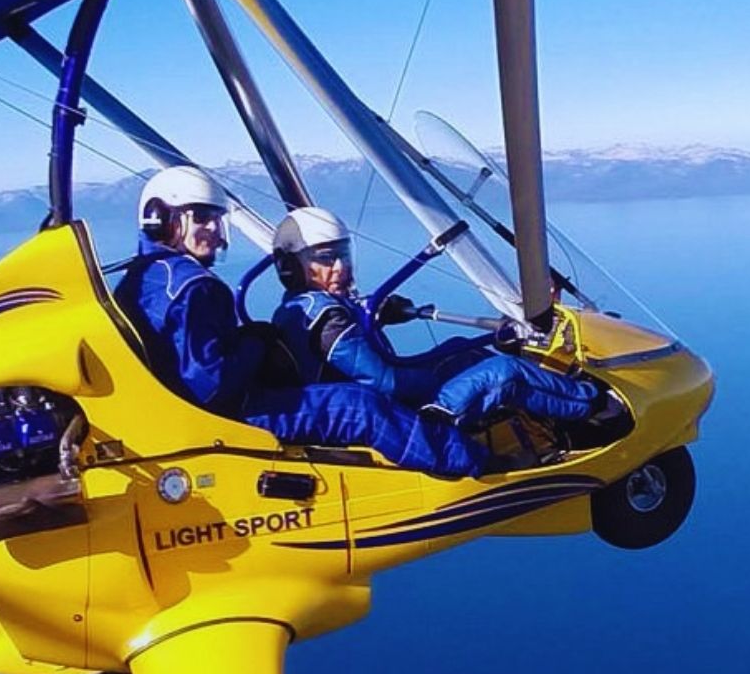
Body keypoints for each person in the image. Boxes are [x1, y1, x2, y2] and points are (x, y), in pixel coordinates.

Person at [114, 167, 486, 476]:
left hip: (175, 413)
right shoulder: (194, 287)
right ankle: (476, 466)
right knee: (359, 406)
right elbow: (210, 385)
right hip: (224, 413)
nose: (213, 229)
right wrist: (255, 344)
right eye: (201, 217)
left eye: (216, 218)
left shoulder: (141, 277)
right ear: (161, 217)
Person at [270, 206, 613, 431]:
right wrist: (435, 376)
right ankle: (596, 405)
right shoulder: (327, 318)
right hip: (390, 413)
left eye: (343, 255)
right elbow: (384, 382)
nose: (341, 267)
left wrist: (378, 315)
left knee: (459, 349)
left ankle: (549, 409)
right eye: (326, 259)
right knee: (504, 373)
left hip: (370, 402)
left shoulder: (300, 307)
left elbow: (354, 350)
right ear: (291, 267)